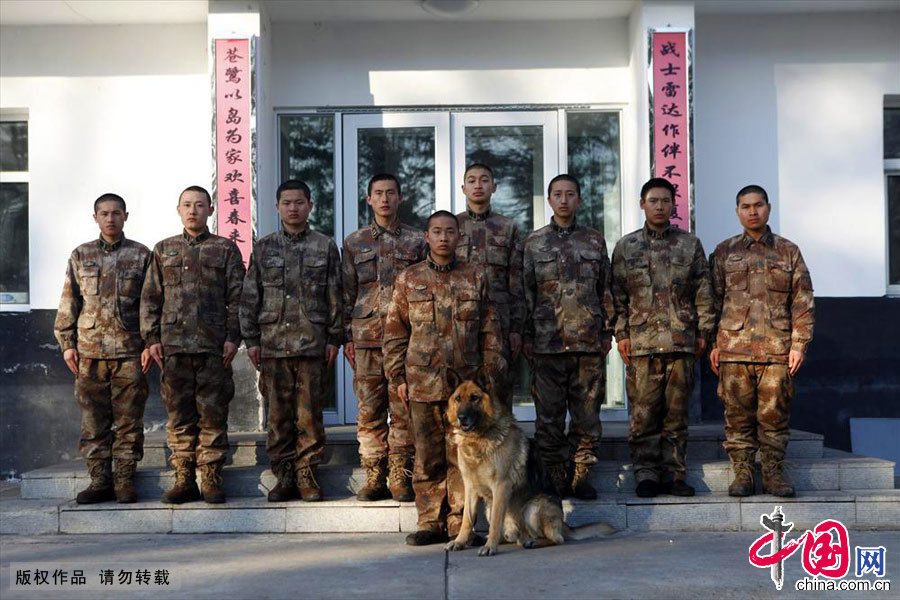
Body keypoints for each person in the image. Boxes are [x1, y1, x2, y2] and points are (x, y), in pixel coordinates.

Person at [383, 210, 505, 546]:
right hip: (421, 381)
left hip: (465, 387)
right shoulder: (409, 279)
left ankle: (459, 523)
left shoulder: (475, 277)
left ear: (458, 236)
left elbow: (490, 329)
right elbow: (394, 331)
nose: (443, 238)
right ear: (427, 236)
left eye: (450, 231)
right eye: (436, 231)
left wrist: (490, 375)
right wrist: (397, 377)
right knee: (428, 453)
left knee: (462, 456)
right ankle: (429, 521)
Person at [611, 178, 715, 498]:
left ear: (673, 205)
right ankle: (646, 473)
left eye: (665, 201)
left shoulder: (689, 245)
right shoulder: (626, 247)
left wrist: (704, 332)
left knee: (676, 414)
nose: (659, 206)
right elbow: (616, 295)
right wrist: (622, 333)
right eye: (653, 200)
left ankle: (674, 474)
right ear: (642, 204)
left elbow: (703, 290)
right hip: (641, 344)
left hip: (681, 340)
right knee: (643, 414)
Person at [141, 185, 245, 504]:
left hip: (214, 348)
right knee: (179, 415)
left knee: (213, 413)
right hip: (173, 349)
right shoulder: (163, 250)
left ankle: (211, 476)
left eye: (200, 205)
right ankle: (184, 477)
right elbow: (150, 298)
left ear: (211, 210)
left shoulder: (225, 249)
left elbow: (238, 298)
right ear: (178, 209)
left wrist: (232, 338)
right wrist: (151, 339)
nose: (193, 211)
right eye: (187, 205)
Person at [710, 184, 814, 497]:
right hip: (734, 350)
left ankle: (773, 474)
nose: (752, 212)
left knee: (774, 417)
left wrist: (799, 344)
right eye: (745, 206)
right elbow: (711, 301)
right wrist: (712, 343)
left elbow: (803, 299)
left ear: (768, 207)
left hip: (776, 351)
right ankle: (742, 474)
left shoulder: (788, 251)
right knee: (737, 417)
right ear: (737, 211)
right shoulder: (724, 252)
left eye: (758, 205)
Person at [241, 179, 342, 502]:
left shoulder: (324, 246)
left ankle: (308, 474)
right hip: (272, 344)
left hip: (312, 344)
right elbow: (249, 297)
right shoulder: (264, 247)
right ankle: (284, 475)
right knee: (278, 417)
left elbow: (335, 295)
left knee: (310, 415)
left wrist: (334, 338)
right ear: (277, 207)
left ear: (310, 206)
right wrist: (252, 340)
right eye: (287, 203)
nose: (293, 208)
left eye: (299, 202)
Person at [54, 193, 152, 504]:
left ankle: (124, 479)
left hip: (129, 351)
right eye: (104, 214)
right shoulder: (81, 255)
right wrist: (67, 344)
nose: (110, 219)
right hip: (89, 352)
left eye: (116, 213)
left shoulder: (141, 256)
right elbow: (70, 301)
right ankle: (99, 480)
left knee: (128, 420)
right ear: (95, 218)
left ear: (126, 216)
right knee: (93, 420)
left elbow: (151, 304)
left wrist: (150, 343)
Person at [522, 174, 614, 500]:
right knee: (548, 417)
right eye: (558, 194)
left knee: (586, 415)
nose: (564, 200)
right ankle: (554, 477)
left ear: (579, 199)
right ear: (549, 200)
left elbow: (606, 289)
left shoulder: (593, 241)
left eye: (570, 194)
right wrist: (527, 337)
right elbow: (526, 293)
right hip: (547, 344)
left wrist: (608, 332)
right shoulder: (534, 243)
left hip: (588, 343)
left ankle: (581, 475)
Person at [342, 174, 425, 502]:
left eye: (391, 193)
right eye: (379, 193)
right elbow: (346, 292)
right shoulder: (354, 242)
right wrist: (345, 336)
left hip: (405, 340)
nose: (385, 199)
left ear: (400, 197)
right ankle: (374, 474)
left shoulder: (417, 241)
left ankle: (399, 474)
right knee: (370, 408)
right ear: (369, 199)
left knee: (403, 408)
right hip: (365, 339)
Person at [454, 163, 524, 410]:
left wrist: (516, 328)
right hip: (459, 323)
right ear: (463, 188)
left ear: (494, 187)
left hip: (499, 324)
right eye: (471, 180)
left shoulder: (508, 228)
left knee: (498, 388)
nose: (478, 185)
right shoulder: (451, 227)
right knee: (461, 391)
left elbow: (516, 281)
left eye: (484, 180)